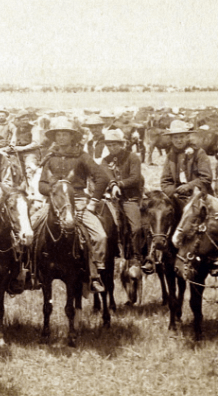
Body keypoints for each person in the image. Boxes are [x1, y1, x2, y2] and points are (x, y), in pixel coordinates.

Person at [35, 117, 112, 294]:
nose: (61, 138)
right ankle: (29, 272)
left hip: (77, 201)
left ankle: (95, 273)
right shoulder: (50, 157)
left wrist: (93, 202)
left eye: (65, 134)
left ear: (72, 137)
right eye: (58, 134)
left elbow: (102, 178)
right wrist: (55, 190)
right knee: (30, 228)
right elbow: (41, 185)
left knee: (100, 236)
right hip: (55, 203)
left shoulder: (82, 156)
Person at [99, 128, 146, 276]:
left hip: (129, 198)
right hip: (110, 199)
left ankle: (137, 256)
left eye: (115, 145)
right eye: (109, 145)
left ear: (122, 144)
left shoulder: (133, 157)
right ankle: (104, 255)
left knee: (136, 228)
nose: (112, 148)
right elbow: (105, 175)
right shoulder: (105, 161)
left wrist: (119, 185)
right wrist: (112, 184)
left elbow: (135, 177)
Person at [159, 120, 212, 200]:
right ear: (171, 139)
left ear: (187, 137)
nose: (179, 140)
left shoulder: (198, 153)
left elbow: (206, 178)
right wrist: (174, 192)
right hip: (177, 196)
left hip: (199, 195)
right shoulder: (170, 156)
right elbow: (165, 181)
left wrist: (189, 186)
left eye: (182, 137)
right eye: (175, 137)